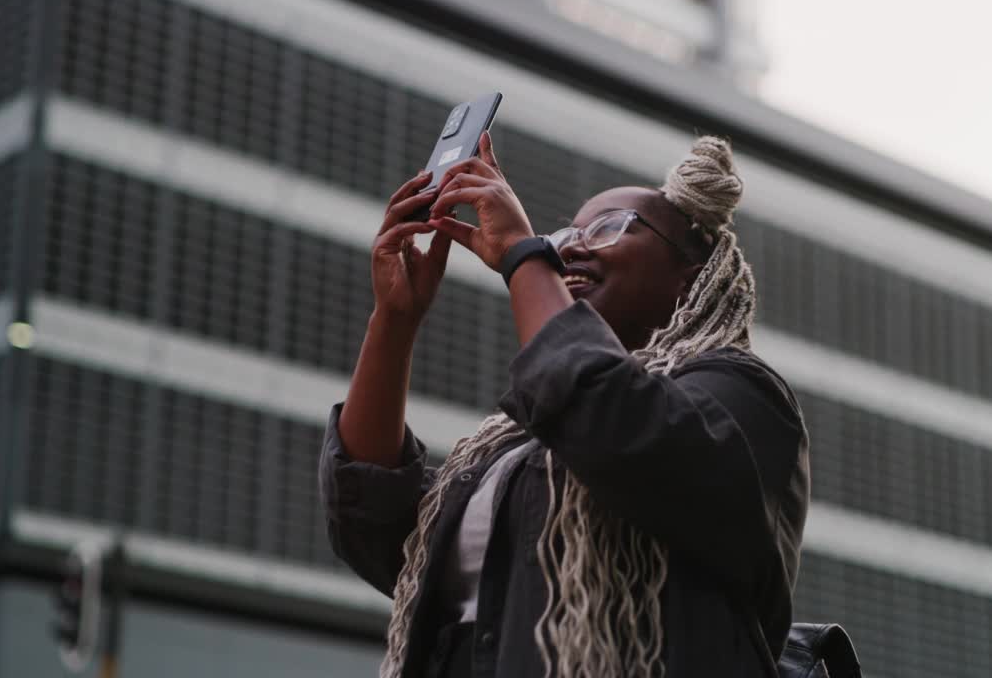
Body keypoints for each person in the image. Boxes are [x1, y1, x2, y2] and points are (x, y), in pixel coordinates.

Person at [319, 133, 810, 678]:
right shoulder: (514, 448)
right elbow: (376, 525)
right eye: (562, 236)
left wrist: (523, 255)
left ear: (691, 278)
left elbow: (610, 419)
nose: (567, 248)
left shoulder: (744, 396)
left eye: (606, 229)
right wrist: (394, 320)